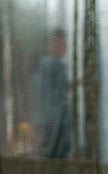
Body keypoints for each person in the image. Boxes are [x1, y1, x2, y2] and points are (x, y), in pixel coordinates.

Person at [31, 28, 71, 159]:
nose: (64, 47)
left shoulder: (56, 64)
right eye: (59, 43)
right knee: (50, 152)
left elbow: (63, 88)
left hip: (56, 118)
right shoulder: (48, 63)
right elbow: (48, 91)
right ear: (50, 44)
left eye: (64, 43)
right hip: (51, 119)